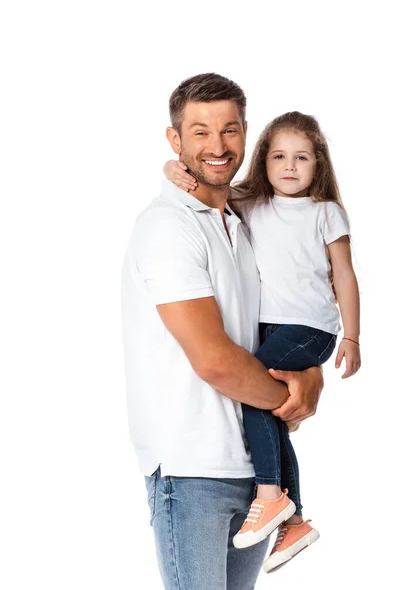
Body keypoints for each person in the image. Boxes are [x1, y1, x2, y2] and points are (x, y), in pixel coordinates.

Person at [121, 73, 324, 590]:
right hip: (192, 469)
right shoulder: (170, 227)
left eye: (229, 131)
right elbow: (213, 359)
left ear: (246, 134)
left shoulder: (245, 218)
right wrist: (290, 398)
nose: (217, 146)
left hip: (258, 473)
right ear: (175, 140)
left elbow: (296, 303)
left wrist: (312, 374)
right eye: (199, 132)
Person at [163, 110, 361, 573]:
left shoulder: (325, 212)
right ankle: (294, 520)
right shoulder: (251, 204)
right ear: (263, 161)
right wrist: (169, 169)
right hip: (270, 329)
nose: (290, 166)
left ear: (319, 164)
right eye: (278, 156)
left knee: (252, 390)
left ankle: (270, 494)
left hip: (311, 328)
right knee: (268, 409)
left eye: (302, 157)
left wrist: (351, 334)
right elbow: (204, 185)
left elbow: (345, 276)